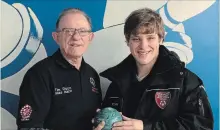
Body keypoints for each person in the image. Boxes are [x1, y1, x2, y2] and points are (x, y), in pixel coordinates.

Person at [96, 8, 214, 130]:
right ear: (128, 41)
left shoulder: (186, 82)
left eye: (150, 38)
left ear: (161, 39)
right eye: (136, 39)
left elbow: (201, 127)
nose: (143, 46)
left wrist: (145, 127)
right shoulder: (116, 84)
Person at [17, 8, 102, 130]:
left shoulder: (92, 75)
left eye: (82, 31)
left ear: (90, 37)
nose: (76, 37)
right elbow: (28, 128)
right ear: (56, 37)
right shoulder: (39, 74)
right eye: (68, 31)